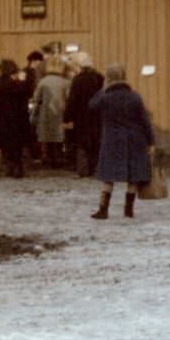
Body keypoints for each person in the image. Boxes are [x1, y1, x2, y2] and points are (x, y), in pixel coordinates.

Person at [89, 63, 155, 220]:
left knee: (108, 176)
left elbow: (91, 106)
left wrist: (102, 89)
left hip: (112, 140)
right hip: (135, 139)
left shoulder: (105, 97)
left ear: (108, 77)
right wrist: (151, 141)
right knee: (133, 176)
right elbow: (144, 121)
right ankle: (128, 210)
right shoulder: (135, 96)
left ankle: (103, 210)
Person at [63, 53, 104, 178]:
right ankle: (95, 168)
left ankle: (83, 170)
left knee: (81, 144)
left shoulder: (78, 80)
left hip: (81, 116)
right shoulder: (99, 78)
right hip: (97, 115)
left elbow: (72, 100)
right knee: (95, 142)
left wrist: (67, 117)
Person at [0, 59, 31, 177]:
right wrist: (23, 81)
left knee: (7, 144)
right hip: (18, 117)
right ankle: (18, 168)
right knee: (17, 144)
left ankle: (9, 167)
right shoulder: (16, 84)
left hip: (3, 117)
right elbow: (25, 94)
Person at [32, 55, 71, 168]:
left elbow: (37, 97)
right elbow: (69, 98)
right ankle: (58, 158)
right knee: (59, 137)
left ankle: (48, 158)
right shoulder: (65, 82)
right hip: (60, 111)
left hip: (46, 112)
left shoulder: (43, 81)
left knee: (47, 137)